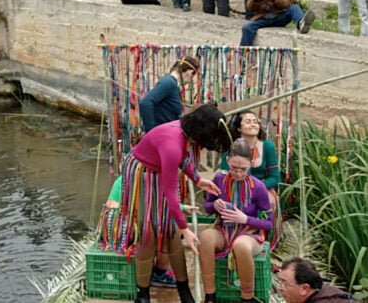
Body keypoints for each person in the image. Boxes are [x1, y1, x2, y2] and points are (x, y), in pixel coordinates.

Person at [112, 103, 233, 303]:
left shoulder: (185, 135)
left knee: (169, 230)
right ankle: (143, 295)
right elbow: (170, 193)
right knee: (149, 231)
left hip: (159, 169)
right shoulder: (172, 145)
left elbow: (184, 158)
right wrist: (185, 228)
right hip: (142, 173)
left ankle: (183, 290)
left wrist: (197, 179)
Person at [199, 138, 273, 303]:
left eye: (243, 169)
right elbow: (207, 207)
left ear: (252, 163)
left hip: (249, 234)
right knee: (204, 238)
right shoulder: (219, 179)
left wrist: (245, 218)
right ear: (227, 161)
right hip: (224, 230)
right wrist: (214, 205)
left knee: (240, 245)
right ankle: (210, 296)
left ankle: (247, 297)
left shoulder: (258, 186)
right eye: (234, 168)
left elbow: (269, 223)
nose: (238, 173)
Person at [103, 174, 197, 288]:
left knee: (163, 224)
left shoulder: (130, 174)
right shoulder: (145, 177)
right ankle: (159, 273)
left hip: (116, 228)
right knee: (170, 230)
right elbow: (157, 204)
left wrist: (182, 207)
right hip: (122, 231)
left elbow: (158, 202)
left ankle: (155, 271)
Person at [139, 56, 199, 133]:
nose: (190, 80)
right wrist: (151, 132)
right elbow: (146, 103)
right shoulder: (169, 83)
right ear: (189, 71)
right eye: (192, 75)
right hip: (160, 136)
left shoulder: (174, 85)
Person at [277, 258, 353, 303]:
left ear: (304, 288)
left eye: (284, 283)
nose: (278, 288)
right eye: (280, 281)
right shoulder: (321, 289)